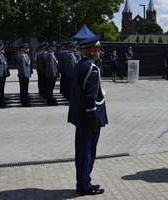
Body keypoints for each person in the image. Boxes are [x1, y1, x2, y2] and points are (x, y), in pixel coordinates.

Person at [67, 35, 107, 196]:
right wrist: (92, 118)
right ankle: (84, 186)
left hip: (80, 116)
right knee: (87, 151)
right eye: (98, 49)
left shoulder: (80, 64)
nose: (99, 52)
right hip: (88, 116)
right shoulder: (92, 68)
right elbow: (90, 96)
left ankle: (84, 181)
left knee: (83, 150)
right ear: (91, 51)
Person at [45, 41, 59, 105]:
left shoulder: (51, 54)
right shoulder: (50, 55)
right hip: (51, 75)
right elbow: (51, 66)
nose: (55, 48)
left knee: (51, 88)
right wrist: (53, 74)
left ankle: (50, 98)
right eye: (54, 47)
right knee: (50, 88)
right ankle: (49, 100)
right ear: (50, 47)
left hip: (52, 74)